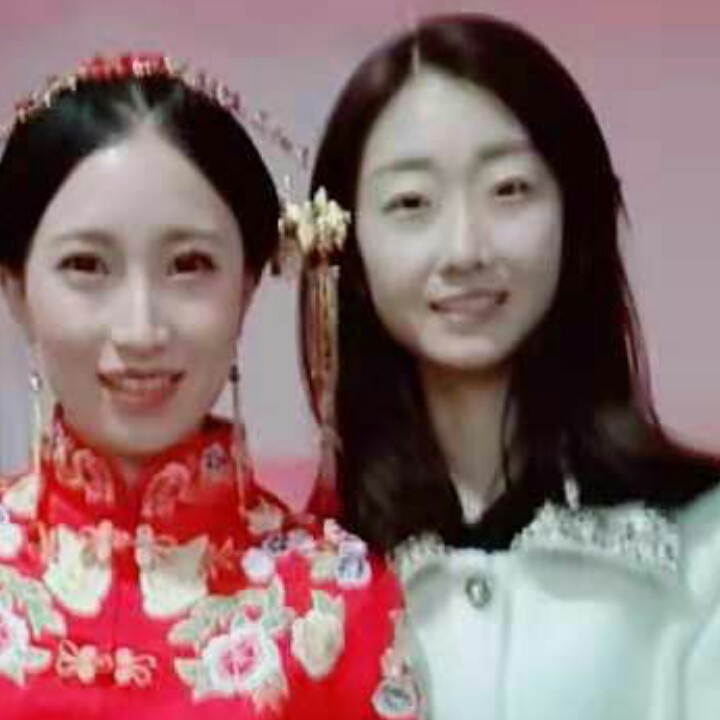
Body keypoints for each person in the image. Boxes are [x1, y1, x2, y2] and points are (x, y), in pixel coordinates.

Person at [299, 14, 720, 719]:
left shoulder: (704, 546)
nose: (465, 249)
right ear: (347, 252)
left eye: (510, 190)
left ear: (576, 218)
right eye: (411, 203)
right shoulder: (298, 581)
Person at [0, 52, 419, 719]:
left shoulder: (335, 602)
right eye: (86, 265)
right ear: (17, 289)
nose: (140, 329)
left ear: (247, 285)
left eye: (189, 264)